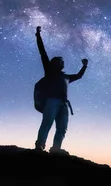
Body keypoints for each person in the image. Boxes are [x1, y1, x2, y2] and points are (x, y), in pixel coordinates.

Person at [34, 26, 88, 155]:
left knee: (62, 128)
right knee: (47, 123)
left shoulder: (66, 77)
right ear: (54, 63)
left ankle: (56, 148)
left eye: (63, 61)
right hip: (51, 101)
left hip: (64, 104)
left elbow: (79, 76)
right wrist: (38, 36)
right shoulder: (50, 71)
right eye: (60, 61)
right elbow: (43, 52)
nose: (62, 63)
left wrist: (84, 66)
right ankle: (39, 146)